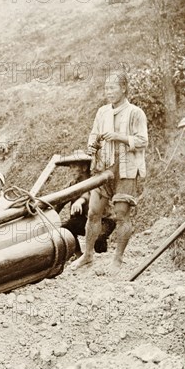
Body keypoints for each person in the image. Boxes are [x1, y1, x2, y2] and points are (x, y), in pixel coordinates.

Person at [72, 71, 148, 275]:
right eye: (106, 88)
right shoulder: (102, 112)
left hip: (125, 169)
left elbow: (142, 140)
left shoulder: (135, 112)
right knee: (93, 212)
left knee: (121, 215)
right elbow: (93, 134)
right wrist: (92, 145)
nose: (109, 92)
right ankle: (87, 255)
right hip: (103, 167)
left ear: (123, 88)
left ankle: (118, 259)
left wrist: (119, 136)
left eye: (112, 87)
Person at [55, 152, 116, 257]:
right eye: (70, 167)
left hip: (104, 220)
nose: (71, 170)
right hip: (86, 220)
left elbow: (89, 193)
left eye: (74, 166)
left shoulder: (95, 182)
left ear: (84, 168)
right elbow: (60, 200)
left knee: (98, 239)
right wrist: (51, 212)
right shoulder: (72, 185)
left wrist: (80, 201)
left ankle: (101, 259)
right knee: (66, 229)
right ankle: (79, 255)